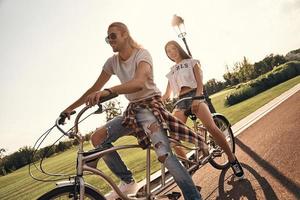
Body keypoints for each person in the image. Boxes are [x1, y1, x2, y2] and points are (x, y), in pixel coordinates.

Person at [62, 22, 205, 199]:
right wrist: (69, 109)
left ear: (125, 35)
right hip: (131, 112)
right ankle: (128, 181)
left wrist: (109, 91)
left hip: (150, 108)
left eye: (113, 36)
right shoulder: (112, 62)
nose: (109, 40)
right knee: (97, 138)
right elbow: (94, 88)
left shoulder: (142, 54)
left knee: (165, 155)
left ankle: (193, 196)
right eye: (107, 38)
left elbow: (139, 83)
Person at [162, 40, 244, 180]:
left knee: (211, 127)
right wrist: (157, 101)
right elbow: (166, 94)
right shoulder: (171, 72)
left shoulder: (192, 62)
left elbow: (200, 83)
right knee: (172, 137)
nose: (171, 52)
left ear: (179, 48)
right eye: (168, 51)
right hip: (180, 102)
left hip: (195, 95)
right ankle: (188, 169)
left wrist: (197, 98)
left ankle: (232, 159)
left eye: (173, 48)